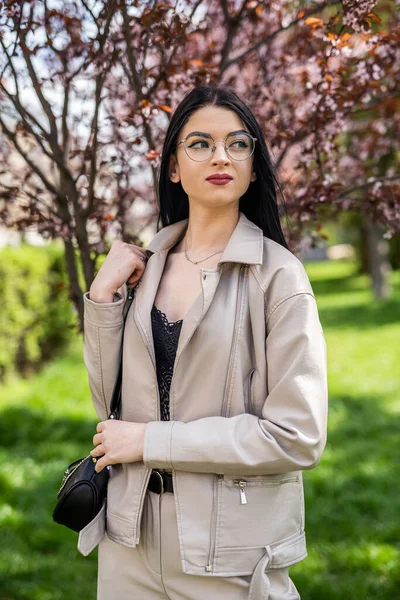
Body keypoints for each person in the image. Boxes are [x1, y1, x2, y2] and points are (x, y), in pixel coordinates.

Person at [79, 84, 328, 600]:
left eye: (238, 144)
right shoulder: (141, 271)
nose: (220, 156)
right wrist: (103, 298)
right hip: (128, 540)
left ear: (254, 167)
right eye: (200, 143)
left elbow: (297, 435)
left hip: (229, 550)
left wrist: (151, 442)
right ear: (173, 166)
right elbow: (111, 407)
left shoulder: (279, 279)